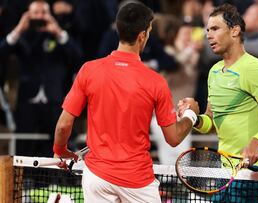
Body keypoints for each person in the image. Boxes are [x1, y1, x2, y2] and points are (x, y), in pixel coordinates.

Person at [52, 2, 199, 202]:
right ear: (142, 36)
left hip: (97, 178)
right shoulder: (155, 81)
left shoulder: (89, 70)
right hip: (138, 181)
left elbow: (63, 126)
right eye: (149, 31)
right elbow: (173, 138)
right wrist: (191, 115)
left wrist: (60, 152)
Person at [178, 4, 258, 202]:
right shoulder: (214, 73)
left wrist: (257, 142)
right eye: (207, 30)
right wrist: (194, 117)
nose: (208, 35)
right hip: (225, 175)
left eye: (215, 29)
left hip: (256, 176)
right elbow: (212, 123)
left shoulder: (253, 69)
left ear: (235, 30)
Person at [0, 0, 82, 156]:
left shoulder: (58, 36)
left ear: (50, 15)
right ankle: (24, 181)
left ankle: (54, 180)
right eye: (35, 13)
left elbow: (77, 57)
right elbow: (2, 53)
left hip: (53, 102)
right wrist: (18, 29)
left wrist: (57, 31)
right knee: (23, 148)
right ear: (27, 15)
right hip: (27, 102)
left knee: (54, 147)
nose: (39, 17)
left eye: (43, 13)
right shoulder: (21, 36)